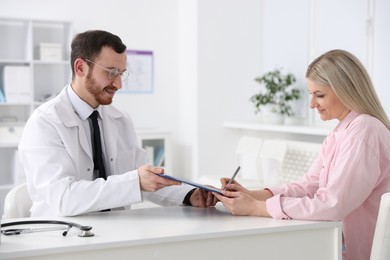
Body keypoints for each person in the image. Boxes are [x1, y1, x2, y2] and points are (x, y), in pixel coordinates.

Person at [213, 49, 390, 260]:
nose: (311, 104)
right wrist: (253, 194)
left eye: (320, 95)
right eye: (311, 94)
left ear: (346, 90)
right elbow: (309, 186)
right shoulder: (341, 132)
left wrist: (256, 208)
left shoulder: (364, 132)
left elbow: (332, 204)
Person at [18, 30, 216, 217]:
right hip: (60, 236)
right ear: (80, 67)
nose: (119, 84)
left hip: (115, 230)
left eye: (121, 73)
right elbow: (64, 199)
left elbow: (145, 179)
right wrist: (135, 181)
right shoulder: (44, 123)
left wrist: (188, 195)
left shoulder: (120, 119)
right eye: (111, 72)